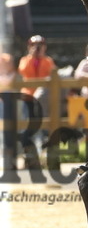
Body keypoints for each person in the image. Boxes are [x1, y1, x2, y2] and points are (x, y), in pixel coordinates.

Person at [18, 35, 56, 166]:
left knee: (45, 126)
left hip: (43, 100)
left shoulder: (48, 61)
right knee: (27, 127)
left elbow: (52, 75)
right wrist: (33, 56)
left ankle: (46, 155)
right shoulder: (25, 60)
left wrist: (40, 57)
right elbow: (24, 71)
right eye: (33, 45)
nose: (37, 48)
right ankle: (29, 156)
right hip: (28, 97)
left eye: (40, 45)